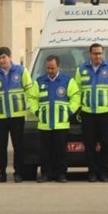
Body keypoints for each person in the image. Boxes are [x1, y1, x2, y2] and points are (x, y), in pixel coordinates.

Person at [75, 43, 108, 182]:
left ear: (103, 53)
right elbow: (77, 90)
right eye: (95, 53)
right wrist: (79, 107)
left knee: (106, 144)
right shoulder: (82, 69)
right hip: (87, 112)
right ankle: (92, 172)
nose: (98, 56)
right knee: (89, 145)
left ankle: (104, 172)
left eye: (100, 53)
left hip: (105, 113)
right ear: (90, 54)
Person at [29, 55, 80, 183]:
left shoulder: (67, 81)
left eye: (52, 68)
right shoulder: (39, 82)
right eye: (48, 68)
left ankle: (61, 174)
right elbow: (32, 98)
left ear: (59, 67)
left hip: (61, 124)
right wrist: (36, 111)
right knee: (45, 151)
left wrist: (69, 111)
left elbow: (76, 97)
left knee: (60, 151)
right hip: (45, 123)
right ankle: (46, 174)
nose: (50, 71)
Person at [0, 46, 33, 183]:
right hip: (1, 116)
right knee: (1, 147)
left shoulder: (21, 71)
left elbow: (29, 90)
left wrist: (28, 106)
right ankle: (2, 173)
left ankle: (18, 173)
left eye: (4, 57)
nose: (2, 60)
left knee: (18, 145)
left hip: (17, 115)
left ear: (10, 57)